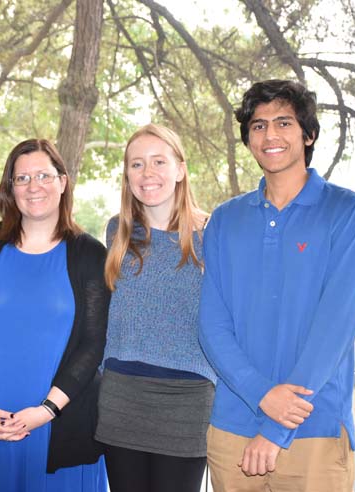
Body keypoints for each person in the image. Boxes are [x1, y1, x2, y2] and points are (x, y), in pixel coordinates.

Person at [199, 79, 355, 492]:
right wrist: (263, 395)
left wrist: (277, 425)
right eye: (258, 126)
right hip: (232, 428)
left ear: (308, 134)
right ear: (248, 140)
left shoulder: (349, 213)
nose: (270, 135)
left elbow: (334, 330)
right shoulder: (224, 220)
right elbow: (212, 324)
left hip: (314, 430)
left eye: (284, 123)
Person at [0, 138, 109, 492]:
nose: (34, 186)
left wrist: (45, 411)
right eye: (22, 178)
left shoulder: (90, 254)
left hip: (57, 418)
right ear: (10, 189)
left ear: (62, 182)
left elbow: (93, 343)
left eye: (44, 175)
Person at [95, 123, 216, 492]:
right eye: (136, 164)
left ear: (180, 169)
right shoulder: (118, 230)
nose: (147, 173)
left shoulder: (212, 234)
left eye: (159, 161)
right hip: (121, 395)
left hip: (186, 399)